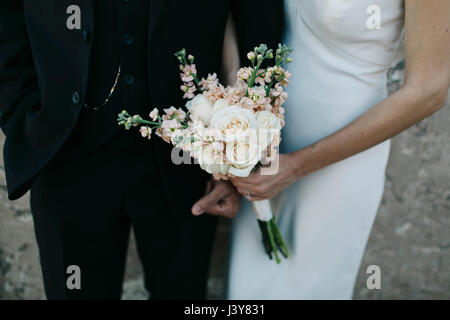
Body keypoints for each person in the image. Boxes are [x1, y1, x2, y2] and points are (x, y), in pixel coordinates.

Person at [0, 0, 284, 299]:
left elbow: (258, 15)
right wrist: (21, 112)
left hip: (187, 156)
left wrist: (240, 145)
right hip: (67, 151)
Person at [228, 0, 449, 299]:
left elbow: (428, 92)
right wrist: (230, 124)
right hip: (266, 143)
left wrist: (295, 166)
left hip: (341, 159)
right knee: (248, 289)